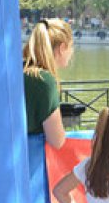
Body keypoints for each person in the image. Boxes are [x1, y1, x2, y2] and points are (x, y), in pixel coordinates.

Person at [23, 18, 74, 149]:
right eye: (71, 46)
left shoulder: (19, 70)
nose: (72, 52)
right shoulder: (43, 80)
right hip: (27, 158)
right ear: (62, 48)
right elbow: (57, 140)